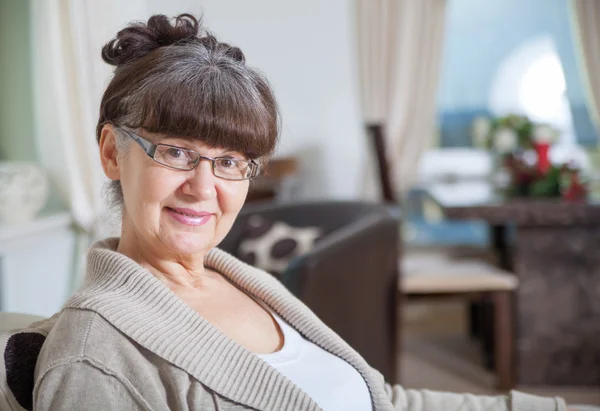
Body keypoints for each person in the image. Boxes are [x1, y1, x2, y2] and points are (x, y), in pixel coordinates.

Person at [32, 14, 572, 411]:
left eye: (229, 162)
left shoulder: (244, 280)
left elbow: (381, 400)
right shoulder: (93, 356)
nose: (203, 188)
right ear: (111, 152)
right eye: (176, 152)